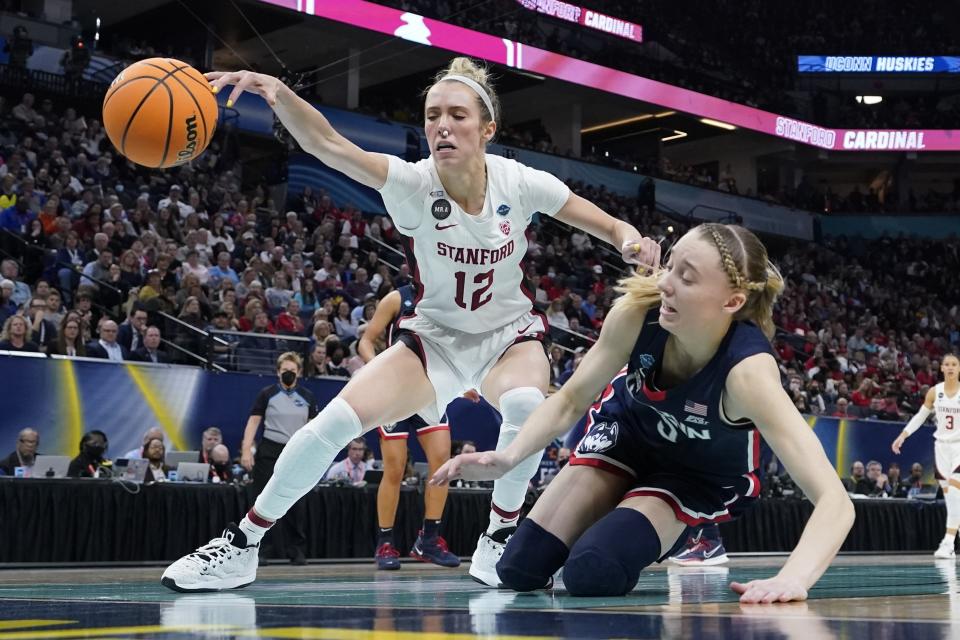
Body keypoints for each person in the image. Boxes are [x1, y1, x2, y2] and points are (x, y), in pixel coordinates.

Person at [162, 56, 658, 592]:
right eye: (432, 115)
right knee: (327, 426)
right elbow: (329, 145)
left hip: (508, 338)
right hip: (435, 341)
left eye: (458, 115)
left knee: (524, 408)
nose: (442, 125)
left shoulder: (519, 182)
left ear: (487, 128)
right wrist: (279, 92)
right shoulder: (412, 184)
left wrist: (633, 243)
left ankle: (498, 537)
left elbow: (610, 225)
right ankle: (242, 545)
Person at [432, 223, 855, 603]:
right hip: (628, 438)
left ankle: (673, 530)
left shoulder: (748, 375)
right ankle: (617, 507)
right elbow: (569, 399)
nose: (665, 283)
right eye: (669, 265)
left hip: (694, 476)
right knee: (518, 569)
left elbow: (835, 501)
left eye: (686, 278)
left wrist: (794, 579)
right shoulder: (638, 313)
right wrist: (509, 457)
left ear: (733, 301)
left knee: (592, 571)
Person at [357, 285, 459, 570]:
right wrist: (377, 369)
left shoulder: (447, 297)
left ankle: (428, 540)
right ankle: (385, 542)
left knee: (442, 462)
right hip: (396, 390)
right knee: (395, 467)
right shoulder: (396, 297)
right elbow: (365, 341)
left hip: (430, 390)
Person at [235, 352, 319, 566]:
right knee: (262, 501)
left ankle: (297, 550)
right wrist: (246, 450)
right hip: (269, 451)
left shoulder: (307, 396)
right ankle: (260, 550)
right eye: (284, 371)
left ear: (299, 372)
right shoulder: (267, 394)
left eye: (292, 370)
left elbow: (314, 428)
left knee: (296, 502)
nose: (288, 373)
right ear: (278, 372)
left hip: (297, 452)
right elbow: (253, 422)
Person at [892, 353, 960, 558]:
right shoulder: (934, 392)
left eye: (954, 364)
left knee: (956, 493)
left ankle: (948, 542)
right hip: (941, 447)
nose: (950, 367)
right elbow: (920, 417)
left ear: (959, 369)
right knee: (951, 498)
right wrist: (902, 435)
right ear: (941, 368)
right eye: (946, 364)